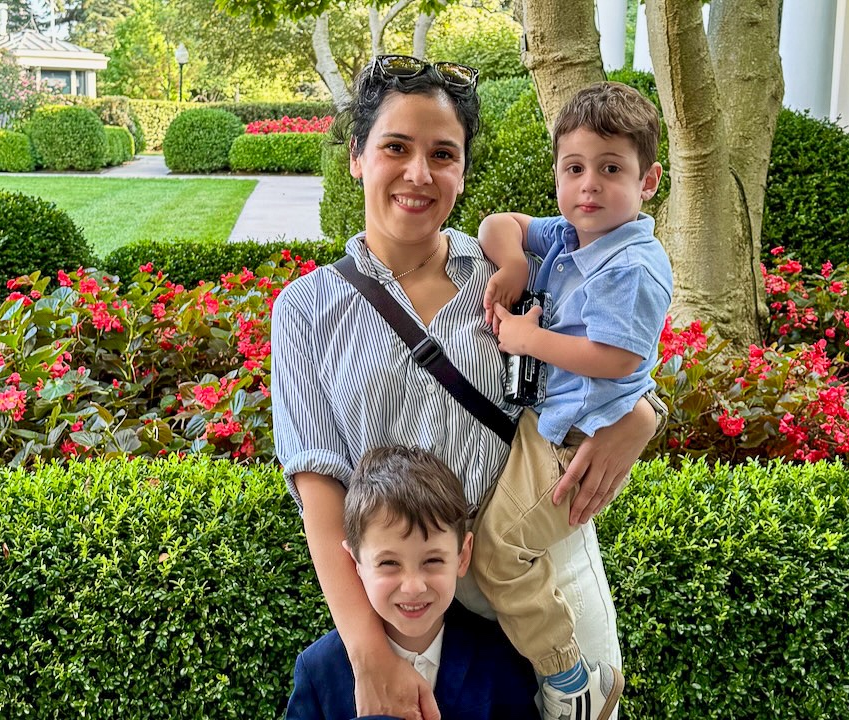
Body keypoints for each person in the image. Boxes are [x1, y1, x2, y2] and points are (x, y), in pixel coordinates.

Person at [271, 55, 661, 720]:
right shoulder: (307, 309)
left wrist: (643, 418)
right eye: (396, 147)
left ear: (462, 170)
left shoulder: (511, 271)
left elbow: (625, 346)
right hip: (415, 599)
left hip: (543, 565)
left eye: (442, 154)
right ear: (358, 156)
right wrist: (370, 654)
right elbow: (319, 491)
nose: (419, 174)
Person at [472, 81, 672, 720]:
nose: (589, 186)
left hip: (574, 439)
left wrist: (531, 337)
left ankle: (568, 675)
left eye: (611, 169)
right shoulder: (570, 237)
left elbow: (620, 358)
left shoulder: (631, 264)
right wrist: (512, 265)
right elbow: (497, 223)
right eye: (574, 168)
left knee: (501, 553)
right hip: (550, 421)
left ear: (649, 182)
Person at [286, 445, 539, 719]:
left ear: (462, 555)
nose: (413, 586)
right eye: (389, 563)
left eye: (432, 561)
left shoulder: (499, 654)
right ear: (356, 563)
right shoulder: (318, 671)